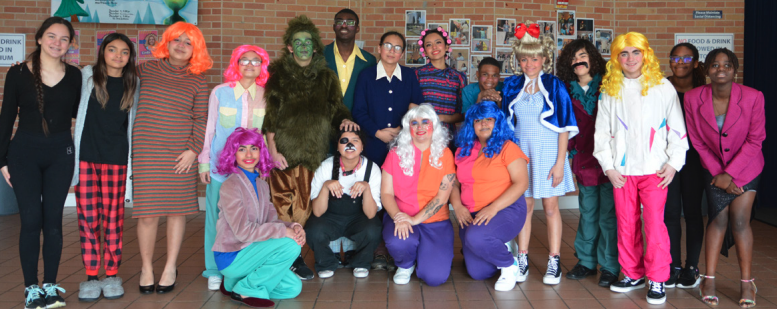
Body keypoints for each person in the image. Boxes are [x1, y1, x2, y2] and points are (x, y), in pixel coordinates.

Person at [593, 32, 688, 305]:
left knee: (655, 225)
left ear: (645, 55)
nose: (630, 58)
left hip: (655, 170)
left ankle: (657, 278)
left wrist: (673, 164)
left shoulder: (662, 86)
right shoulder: (610, 89)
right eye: (624, 53)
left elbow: (677, 128)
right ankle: (632, 273)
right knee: (626, 224)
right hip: (622, 172)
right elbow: (602, 132)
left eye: (636, 52)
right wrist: (609, 167)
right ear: (616, 58)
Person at [263, 15, 358, 280]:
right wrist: (273, 150)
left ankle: (293, 255)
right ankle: (288, 258)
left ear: (315, 47)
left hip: (313, 156)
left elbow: (337, 109)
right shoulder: (278, 76)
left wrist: (345, 119)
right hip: (284, 154)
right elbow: (270, 117)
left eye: (308, 42)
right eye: (298, 42)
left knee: (303, 209)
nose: (303, 46)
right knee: (281, 207)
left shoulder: (327, 77)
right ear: (290, 46)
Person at [0, 16, 79, 309]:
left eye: (64, 38)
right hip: (24, 155)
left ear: (70, 44)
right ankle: (31, 288)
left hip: (60, 154)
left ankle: (50, 286)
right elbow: (6, 117)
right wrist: (2, 160)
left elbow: (78, 113)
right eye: (52, 36)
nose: (57, 43)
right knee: (31, 221)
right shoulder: (18, 73)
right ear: (40, 38)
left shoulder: (75, 76)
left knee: (54, 222)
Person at [133, 21, 213, 295]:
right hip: (147, 151)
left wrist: (193, 150)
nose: (181, 45)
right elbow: (113, 77)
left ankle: (170, 267)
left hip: (181, 154)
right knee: (147, 213)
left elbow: (201, 119)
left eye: (189, 42)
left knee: (177, 211)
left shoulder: (198, 80)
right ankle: (146, 268)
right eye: (177, 39)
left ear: (196, 49)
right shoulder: (145, 69)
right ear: (166, 42)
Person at [685, 49, 764, 309]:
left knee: (739, 220)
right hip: (713, 167)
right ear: (706, 69)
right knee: (717, 219)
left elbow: (756, 140)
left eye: (727, 65)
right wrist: (719, 173)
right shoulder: (693, 97)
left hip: (747, 167)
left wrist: (730, 175)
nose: (721, 69)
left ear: (735, 70)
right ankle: (708, 280)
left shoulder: (753, 97)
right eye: (715, 65)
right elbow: (697, 140)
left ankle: (747, 283)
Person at [500, 21, 578, 285]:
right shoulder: (511, 85)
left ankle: (554, 261)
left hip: (549, 154)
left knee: (551, 207)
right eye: (524, 59)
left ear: (544, 59)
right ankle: (521, 258)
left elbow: (564, 127)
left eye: (534, 58)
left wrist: (560, 162)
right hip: (521, 154)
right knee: (524, 207)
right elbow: (506, 126)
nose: (529, 64)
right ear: (518, 61)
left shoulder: (555, 85)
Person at [71, 32, 138, 302]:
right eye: (112, 50)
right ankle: (90, 277)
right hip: (86, 158)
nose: (118, 56)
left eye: (124, 52)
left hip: (117, 160)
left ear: (130, 57)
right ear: (103, 52)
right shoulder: (86, 77)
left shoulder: (134, 83)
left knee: (113, 219)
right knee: (88, 219)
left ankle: (111, 274)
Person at [199, 45, 270, 291]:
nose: (250, 65)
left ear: (262, 66)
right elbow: (210, 129)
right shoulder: (220, 92)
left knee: (250, 218)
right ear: (236, 64)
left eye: (256, 61)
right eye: (244, 60)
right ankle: (213, 270)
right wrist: (204, 162)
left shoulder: (266, 95)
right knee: (216, 219)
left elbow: (265, 135)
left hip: (251, 170)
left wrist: (264, 166)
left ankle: (242, 266)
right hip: (221, 167)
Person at [212, 128, 303, 308]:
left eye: (254, 148)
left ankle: (231, 283)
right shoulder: (231, 185)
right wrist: (284, 232)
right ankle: (246, 288)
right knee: (291, 245)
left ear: (261, 152)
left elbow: (271, 222)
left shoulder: (261, 184)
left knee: (293, 288)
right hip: (232, 255)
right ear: (233, 154)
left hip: (252, 250)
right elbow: (243, 232)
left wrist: (293, 226)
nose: (249, 154)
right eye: (242, 149)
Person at [556, 39, 620, 287]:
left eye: (582, 56)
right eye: (573, 58)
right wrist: (570, 153)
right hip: (583, 160)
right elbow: (562, 125)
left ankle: (610, 266)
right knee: (588, 212)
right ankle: (586, 261)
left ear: (592, 58)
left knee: (608, 216)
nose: (578, 61)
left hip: (609, 161)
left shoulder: (609, 86)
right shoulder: (564, 90)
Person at [450, 101, 529, 291]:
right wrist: (458, 207)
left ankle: (510, 265)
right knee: (479, 273)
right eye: (478, 120)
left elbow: (521, 183)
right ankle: (499, 245)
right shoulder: (462, 150)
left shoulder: (508, 147)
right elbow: (454, 184)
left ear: (497, 122)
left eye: (489, 119)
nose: (483, 124)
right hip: (471, 213)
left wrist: (493, 208)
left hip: (505, 209)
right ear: (472, 125)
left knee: (477, 237)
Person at [381, 104, 456, 286]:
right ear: (408, 128)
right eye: (414, 123)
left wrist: (414, 220)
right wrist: (399, 217)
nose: (420, 127)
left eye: (425, 122)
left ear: (434, 125)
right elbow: (386, 193)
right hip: (402, 215)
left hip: (435, 221)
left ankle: (423, 257)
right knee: (398, 241)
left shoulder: (446, 154)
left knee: (435, 278)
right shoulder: (395, 154)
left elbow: (442, 197)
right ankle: (405, 264)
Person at [305, 129, 383, 278]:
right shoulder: (325, 167)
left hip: (358, 218)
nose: (349, 144)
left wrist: (366, 188)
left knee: (373, 229)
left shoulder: (371, 169)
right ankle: (326, 263)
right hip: (330, 217)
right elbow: (318, 212)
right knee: (313, 229)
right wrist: (325, 186)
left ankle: (361, 263)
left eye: (355, 140)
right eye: (344, 141)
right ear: (337, 147)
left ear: (362, 146)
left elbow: (371, 214)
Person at [663, 42, 707, 289]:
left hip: (694, 160)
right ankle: (672, 265)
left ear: (696, 63)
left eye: (686, 58)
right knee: (669, 213)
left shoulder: (703, 92)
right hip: (666, 159)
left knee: (692, 212)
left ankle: (691, 267)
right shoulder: (660, 88)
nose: (680, 63)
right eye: (675, 58)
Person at [352, 31, 424, 166]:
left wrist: (401, 129)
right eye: (388, 46)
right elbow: (358, 111)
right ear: (379, 48)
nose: (392, 51)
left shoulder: (409, 75)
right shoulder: (366, 75)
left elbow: (418, 109)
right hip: (372, 144)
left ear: (402, 54)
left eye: (397, 48)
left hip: (403, 144)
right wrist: (378, 133)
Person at [413, 27, 467, 140]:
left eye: (438, 42)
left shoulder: (458, 77)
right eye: (429, 45)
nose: (434, 47)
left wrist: (440, 118)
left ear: (446, 46)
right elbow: (410, 107)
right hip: (421, 135)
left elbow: (463, 113)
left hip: (448, 137)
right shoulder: (417, 74)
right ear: (424, 51)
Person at [324, 8, 377, 112]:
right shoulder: (320, 55)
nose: (344, 25)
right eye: (339, 22)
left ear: (357, 28)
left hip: (356, 120)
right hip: (325, 120)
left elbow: (370, 97)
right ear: (334, 27)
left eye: (350, 22)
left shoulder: (369, 61)